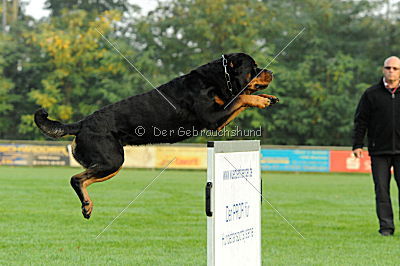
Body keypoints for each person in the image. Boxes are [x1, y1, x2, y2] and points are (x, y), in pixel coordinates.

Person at [353, 56, 400, 236]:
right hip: (379, 150)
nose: (391, 71)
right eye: (388, 68)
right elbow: (361, 121)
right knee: (381, 191)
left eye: (395, 68)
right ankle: (386, 228)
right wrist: (358, 144)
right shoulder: (371, 94)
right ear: (383, 69)